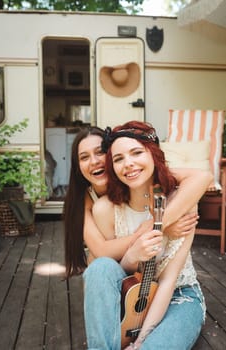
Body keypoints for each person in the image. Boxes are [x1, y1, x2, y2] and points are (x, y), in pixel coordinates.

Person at [84, 121, 212, 350]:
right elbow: (115, 274)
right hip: (131, 291)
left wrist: (141, 340)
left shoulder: (181, 201)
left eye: (136, 153)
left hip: (177, 295)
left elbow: (168, 281)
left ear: (153, 154)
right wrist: (133, 255)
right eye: (118, 158)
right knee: (99, 267)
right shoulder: (105, 209)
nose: (129, 164)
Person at [64, 126, 212, 277]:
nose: (94, 161)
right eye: (84, 157)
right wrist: (160, 228)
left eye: (99, 152)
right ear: (77, 166)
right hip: (109, 266)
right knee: (96, 264)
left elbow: (202, 177)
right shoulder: (84, 200)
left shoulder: (136, 176)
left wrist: (163, 221)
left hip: (145, 265)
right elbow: (101, 251)